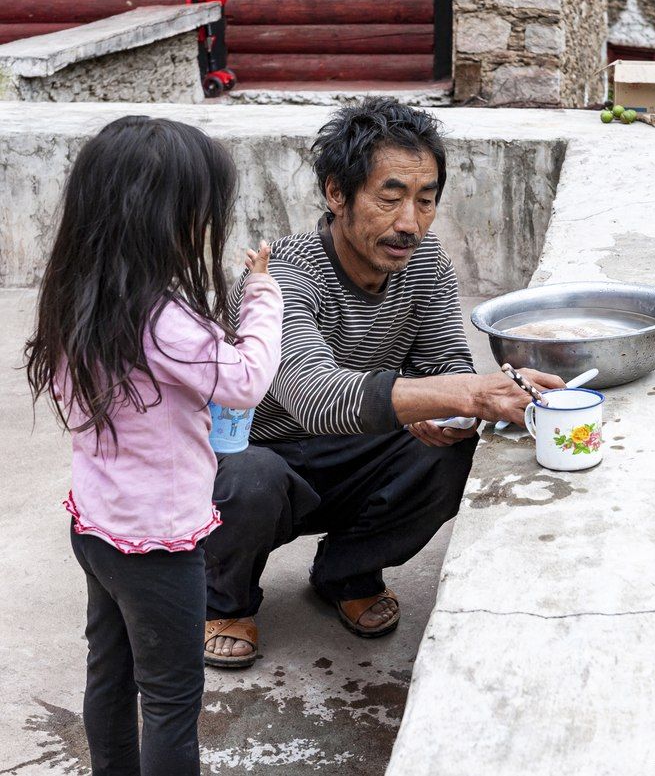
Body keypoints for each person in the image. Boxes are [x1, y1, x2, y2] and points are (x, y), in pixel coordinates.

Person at [204, 98, 563, 668]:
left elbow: (444, 367)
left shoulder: (425, 266)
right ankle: (223, 600)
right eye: (390, 198)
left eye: (426, 201)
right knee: (250, 478)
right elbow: (314, 396)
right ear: (336, 194)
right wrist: (466, 392)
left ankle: (347, 571)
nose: (409, 223)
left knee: (455, 451)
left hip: (359, 450)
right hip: (262, 453)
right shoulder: (283, 273)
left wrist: (473, 402)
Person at [25, 116, 283, 776]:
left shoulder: (76, 299)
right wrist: (261, 294)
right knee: (170, 699)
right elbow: (246, 381)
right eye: (196, 215)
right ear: (157, 221)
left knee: (108, 674)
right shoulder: (167, 320)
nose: (202, 229)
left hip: (97, 527)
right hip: (160, 545)